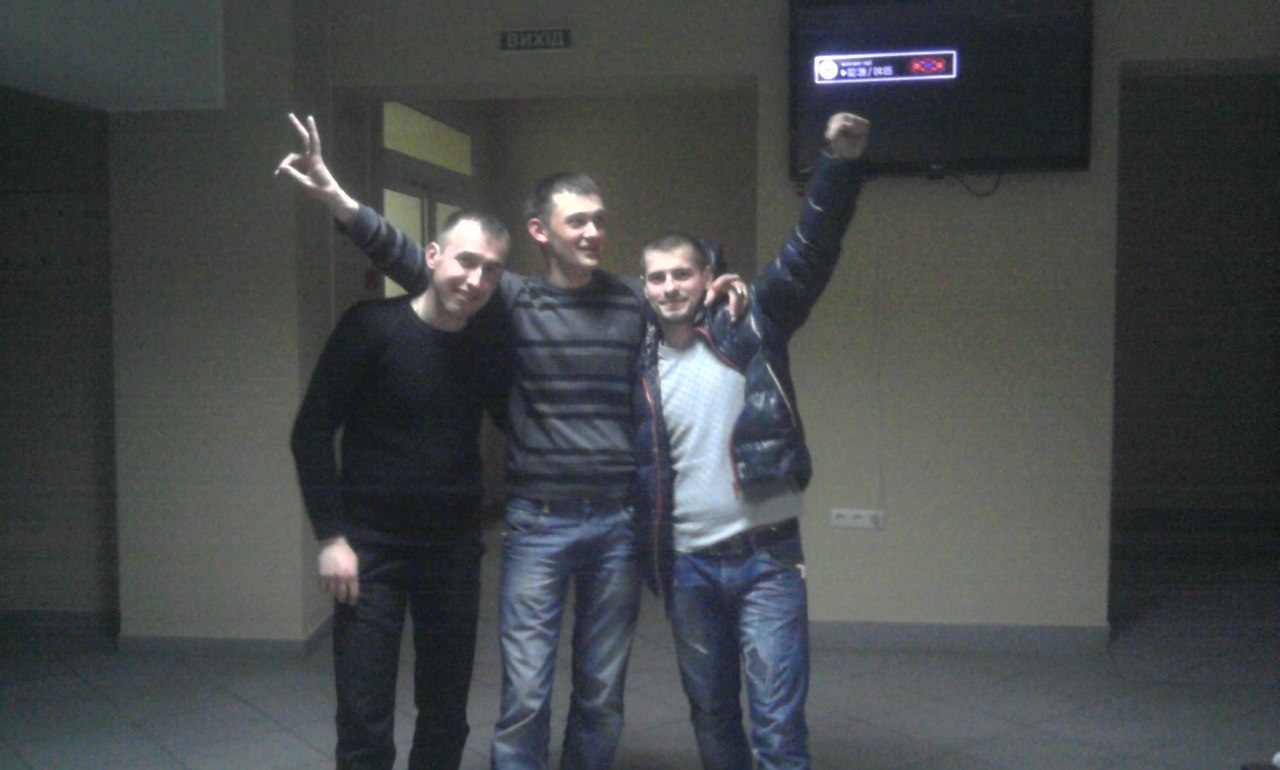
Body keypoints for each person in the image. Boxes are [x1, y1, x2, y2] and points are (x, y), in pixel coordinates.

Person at [278, 113, 746, 770]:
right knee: (519, 696)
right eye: (577, 221)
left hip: (609, 524)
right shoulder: (509, 302)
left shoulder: (632, 301)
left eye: (600, 220)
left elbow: (685, 297)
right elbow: (413, 260)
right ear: (540, 231)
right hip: (533, 523)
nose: (593, 231)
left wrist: (723, 285)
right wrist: (336, 197)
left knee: (597, 696)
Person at [632, 112, 870, 770]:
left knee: (777, 727)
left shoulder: (754, 320)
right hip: (688, 568)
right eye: (656, 278)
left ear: (707, 274)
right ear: (643, 287)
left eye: (682, 274)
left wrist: (838, 164)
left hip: (768, 559)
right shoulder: (636, 362)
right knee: (711, 714)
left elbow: (810, 252)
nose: (669, 287)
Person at [286, 120, 513, 768]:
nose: (475, 278)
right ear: (432, 256)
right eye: (465, 260)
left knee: (445, 713)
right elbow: (310, 432)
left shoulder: (487, 345)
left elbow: (521, 424)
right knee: (364, 716)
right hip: (369, 552)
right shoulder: (370, 328)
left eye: (490, 270)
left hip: (453, 553)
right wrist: (331, 537)